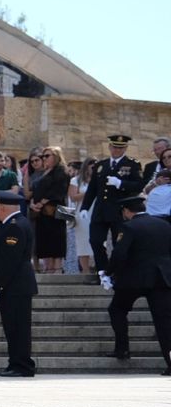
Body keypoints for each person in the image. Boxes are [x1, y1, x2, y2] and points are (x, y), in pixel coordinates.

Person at [103, 195, 171, 372]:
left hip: (133, 280)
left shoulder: (128, 227)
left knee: (117, 309)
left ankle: (122, 349)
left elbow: (119, 254)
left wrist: (108, 272)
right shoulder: (164, 225)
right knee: (164, 322)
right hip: (161, 278)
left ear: (126, 211)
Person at [0, 189, 37, 377]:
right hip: (14, 287)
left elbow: (9, 262)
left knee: (17, 328)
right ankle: (16, 363)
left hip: (15, 287)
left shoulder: (14, 226)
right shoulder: (13, 224)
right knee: (13, 328)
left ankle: (22, 365)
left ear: (3, 208)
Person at [81, 134, 144, 271]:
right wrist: (85, 207)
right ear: (109, 147)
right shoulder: (100, 165)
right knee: (96, 241)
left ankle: (118, 272)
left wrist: (121, 183)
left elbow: (139, 186)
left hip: (120, 210)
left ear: (125, 148)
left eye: (120, 148)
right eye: (114, 147)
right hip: (101, 210)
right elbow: (92, 189)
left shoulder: (132, 164)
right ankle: (102, 272)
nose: (117, 150)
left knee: (119, 243)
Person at [27, 148, 70, 273]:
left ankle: (57, 268)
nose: (44, 158)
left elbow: (58, 190)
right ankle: (49, 267)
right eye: (43, 156)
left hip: (56, 209)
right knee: (46, 239)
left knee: (57, 238)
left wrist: (41, 202)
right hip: (42, 212)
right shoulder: (45, 171)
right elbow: (34, 189)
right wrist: (33, 203)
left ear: (56, 156)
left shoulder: (61, 171)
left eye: (47, 156)